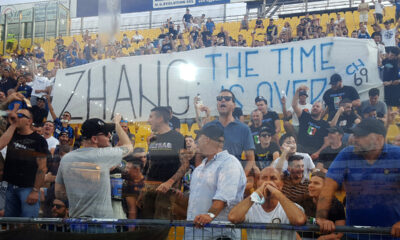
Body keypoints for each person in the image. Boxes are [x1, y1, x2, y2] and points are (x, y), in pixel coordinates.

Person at [316, 118, 400, 239]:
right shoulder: (347, 154)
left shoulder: (397, 155)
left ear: (379, 138)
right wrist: (321, 218)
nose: (354, 139)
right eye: (354, 134)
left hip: (391, 235)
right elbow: (329, 187)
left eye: (360, 135)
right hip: (354, 235)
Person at [55, 114, 133, 229]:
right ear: (94, 139)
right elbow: (129, 146)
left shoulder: (66, 158)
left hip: (76, 224)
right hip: (102, 224)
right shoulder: (103, 156)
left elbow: (58, 193)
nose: (109, 135)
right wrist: (117, 124)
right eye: (106, 134)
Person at [185, 125, 246, 240]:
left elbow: (223, 197)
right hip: (194, 233)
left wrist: (210, 215)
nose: (197, 142)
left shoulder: (229, 163)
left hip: (219, 234)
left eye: (199, 138)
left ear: (206, 139)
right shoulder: (200, 168)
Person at [228, 167, 306, 240]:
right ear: (258, 183)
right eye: (264, 178)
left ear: (281, 184)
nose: (268, 182)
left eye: (273, 178)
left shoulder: (290, 207)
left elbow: (299, 220)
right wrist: (257, 192)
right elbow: (233, 217)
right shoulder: (250, 207)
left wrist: (277, 193)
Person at [0, 109, 49, 217]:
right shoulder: (12, 133)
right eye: (17, 114)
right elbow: (1, 145)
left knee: (28, 225)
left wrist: (35, 191)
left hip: (28, 188)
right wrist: (13, 125)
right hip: (10, 187)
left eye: (21, 115)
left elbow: (42, 168)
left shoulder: (39, 140)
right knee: (10, 224)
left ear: (29, 121)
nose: (17, 117)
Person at [141, 107, 186, 220]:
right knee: (145, 225)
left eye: (151, 117)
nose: (148, 120)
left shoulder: (177, 137)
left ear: (160, 118)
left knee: (161, 227)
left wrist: (169, 183)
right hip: (150, 188)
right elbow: (151, 164)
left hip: (167, 190)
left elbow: (185, 164)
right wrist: (143, 189)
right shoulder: (152, 139)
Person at [202, 90, 255, 175]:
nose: (222, 100)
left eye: (227, 98)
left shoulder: (244, 129)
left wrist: (241, 178)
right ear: (217, 105)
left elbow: (251, 159)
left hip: (233, 176)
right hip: (210, 179)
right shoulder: (208, 127)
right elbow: (199, 155)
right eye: (219, 99)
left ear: (234, 105)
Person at [297, 171, 345, 240]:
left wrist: (324, 238)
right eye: (310, 182)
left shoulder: (337, 205)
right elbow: (297, 218)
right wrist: (315, 221)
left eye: (316, 183)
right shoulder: (302, 200)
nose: (311, 185)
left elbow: (340, 232)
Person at [293, 86, 330, 156]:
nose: (315, 108)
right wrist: (297, 92)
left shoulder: (325, 124)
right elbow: (294, 105)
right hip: (301, 149)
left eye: (317, 106)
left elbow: (326, 143)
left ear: (322, 111)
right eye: (313, 106)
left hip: (315, 151)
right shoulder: (304, 116)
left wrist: (318, 152)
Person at [123, 155, 145, 221]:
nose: (125, 170)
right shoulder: (148, 181)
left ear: (136, 169)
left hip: (138, 224)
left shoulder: (130, 185)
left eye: (128, 168)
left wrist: (131, 230)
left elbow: (132, 211)